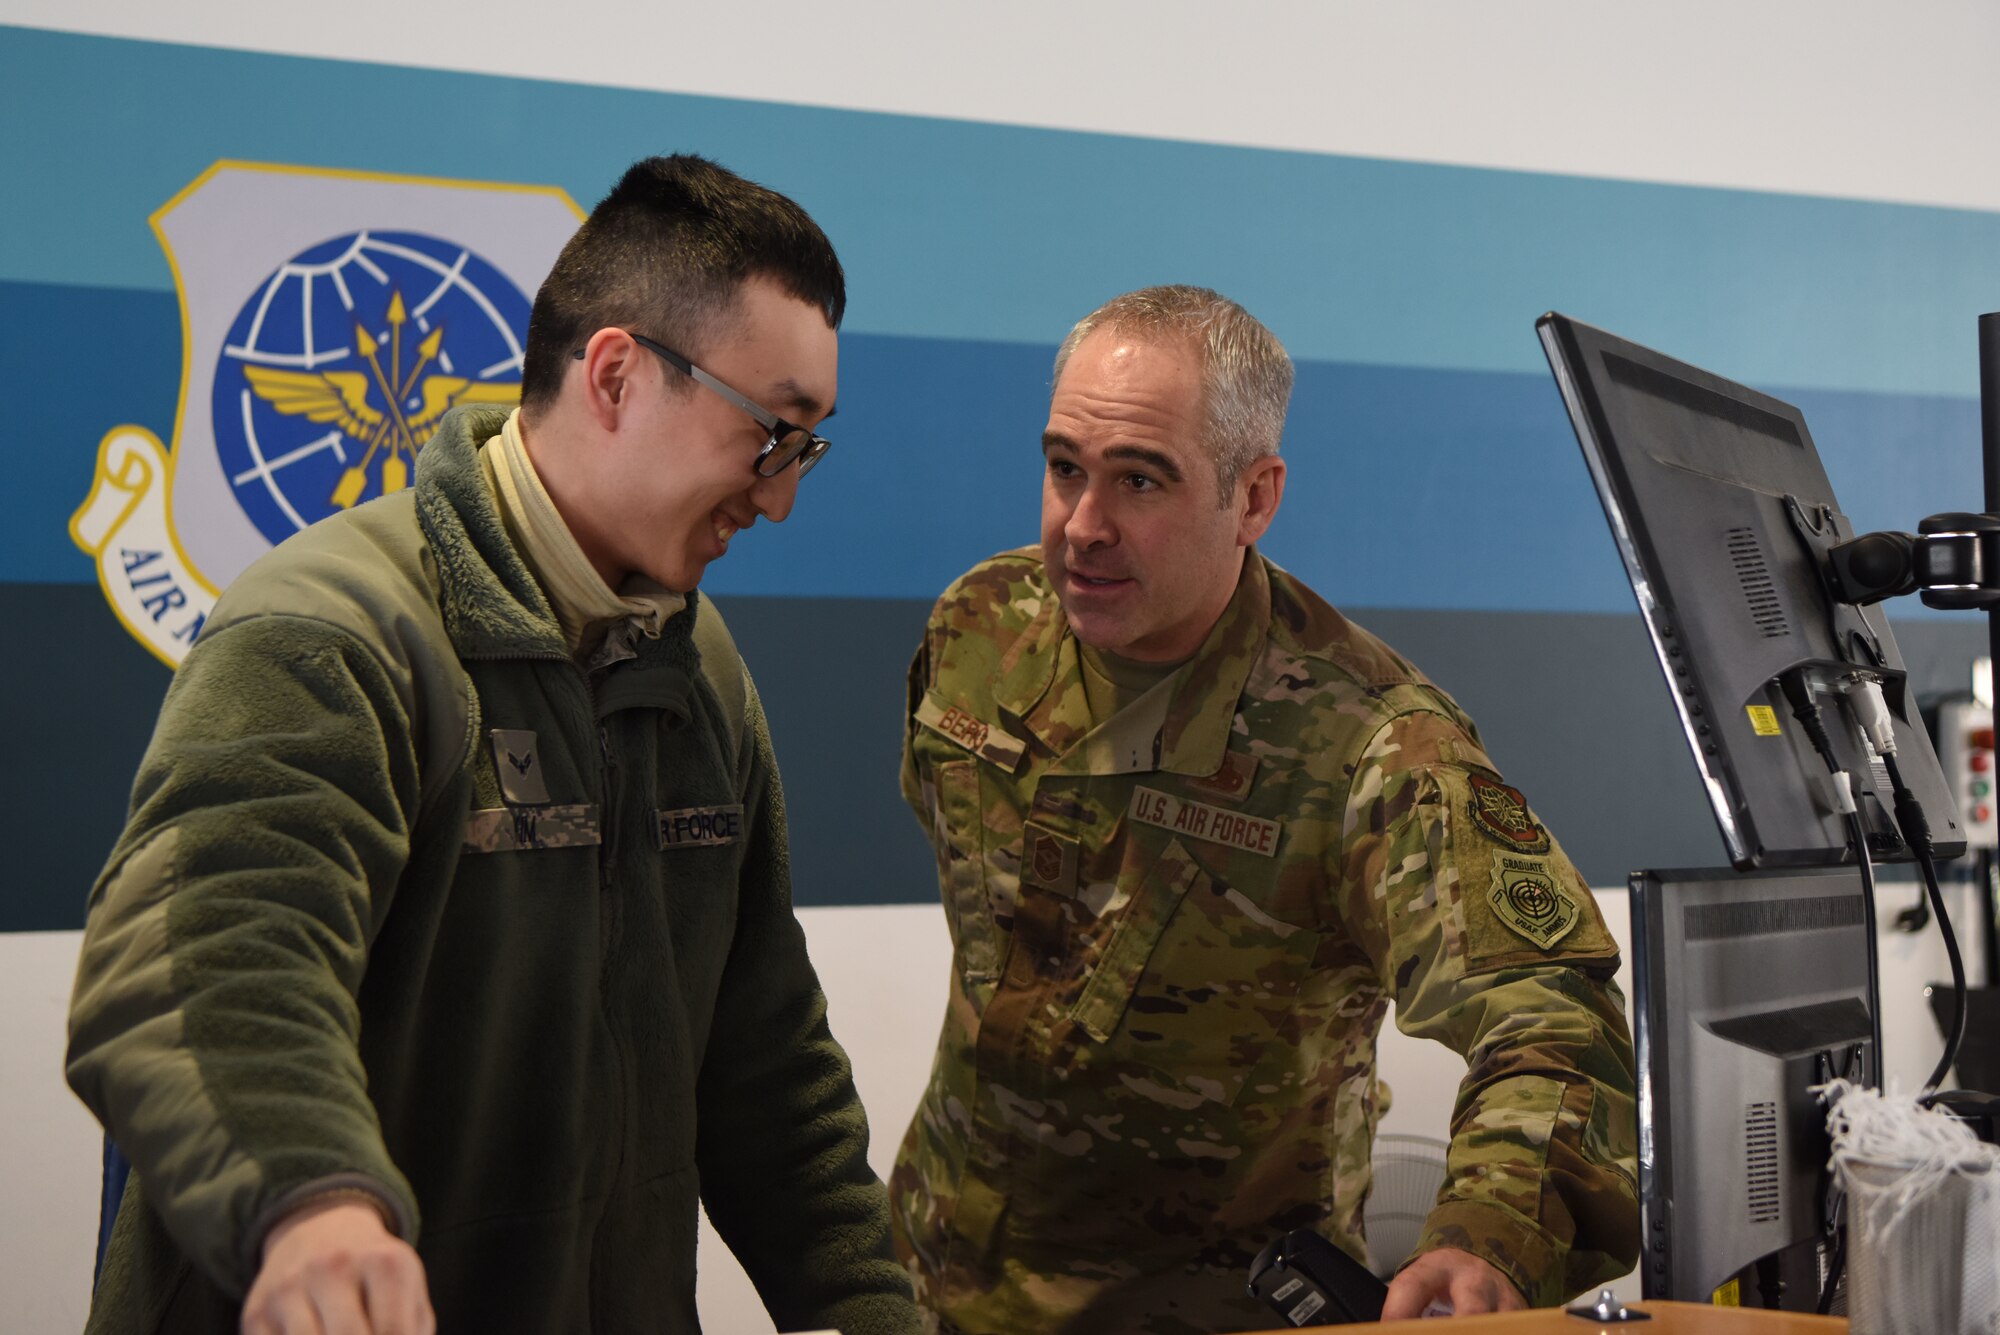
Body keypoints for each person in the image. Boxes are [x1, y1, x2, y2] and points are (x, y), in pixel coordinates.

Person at [68, 155, 921, 1335]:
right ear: (616, 374)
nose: (776, 498)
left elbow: (763, 1059)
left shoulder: (698, 666)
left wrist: (872, 1309)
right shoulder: (330, 634)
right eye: (770, 433)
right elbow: (205, 963)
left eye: (804, 449)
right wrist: (315, 1209)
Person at [888, 285, 1639, 1331]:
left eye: (1139, 480)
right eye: (1065, 469)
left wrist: (1484, 1234)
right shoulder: (981, 628)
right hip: (933, 1288)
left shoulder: (1369, 745)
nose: (1083, 527)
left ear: (1252, 498)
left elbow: (1553, 1018)